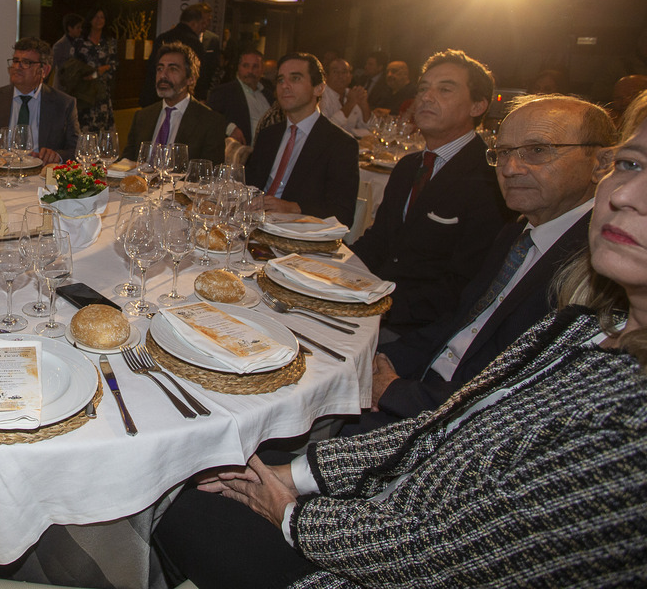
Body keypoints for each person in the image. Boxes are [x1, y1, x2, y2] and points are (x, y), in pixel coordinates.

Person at [152, 99, 647, 588]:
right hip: (392, 493)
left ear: (593, 160)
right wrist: (296, 476)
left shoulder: (628, 413)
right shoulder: (584, 326)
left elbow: (452, 553)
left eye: (538, 150)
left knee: (177, 503)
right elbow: (447, 423)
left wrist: (292, 513)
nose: (627, 195)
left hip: (375, 554)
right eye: (632, 164)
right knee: (207, 478)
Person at [354, 95, 615, 432]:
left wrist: (396, 392)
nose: (510, 168)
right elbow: (460, 320)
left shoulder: (598, 265)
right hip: (423, 384)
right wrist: (387, 360)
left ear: (600, 163)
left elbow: (514, 402)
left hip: (447, 428)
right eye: (503, 152)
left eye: (537, 150)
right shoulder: (517, 232)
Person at [352, 50, 512, 336]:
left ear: (478, 106)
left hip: (421, 330)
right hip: (371, 306)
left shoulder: (489, 180)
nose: (426, 97)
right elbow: (379, 241)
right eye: (423, 88)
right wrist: (328, 276)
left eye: (445, 89)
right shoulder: (408, 166)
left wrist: (378, 310)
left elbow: (465, 283)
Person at [243, 53, 358, 224]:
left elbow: (342, 214)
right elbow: (249, 186)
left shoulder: (339, 144)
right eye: (281, 80)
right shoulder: (269, 135)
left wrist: (294, 208)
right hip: (253, 228)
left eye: (295, 78)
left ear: (319, 88)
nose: (285, 86)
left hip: (298, 236)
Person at [0, 37, 79, 165]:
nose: (17, 67)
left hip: (41, 176)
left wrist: (57, 156)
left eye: (26, 62)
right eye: (15, 61)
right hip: (0, 174)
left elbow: (76, 150)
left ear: (45, 70)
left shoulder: (64, 104)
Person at [120, 43, 228, 165]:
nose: (163, 75)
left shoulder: (210, 122)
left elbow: (209, 176)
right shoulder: (142, 116)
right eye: (160, 69)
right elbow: (126, 163)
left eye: (173, 69)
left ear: (191, 78)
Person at [141, 2, 213, 105]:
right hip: (180, 99)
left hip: (155, 97)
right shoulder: (194, 43)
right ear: (193, 23)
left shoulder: (162, 38)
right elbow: (200, 75)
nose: (205, 27)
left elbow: (150, 68)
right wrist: (201, 97)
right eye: (203, 23)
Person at [60, 9, 117, 132]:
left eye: (102, 17)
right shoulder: (80, 42)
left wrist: (99, 72)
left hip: (102, 92)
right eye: (96, 16)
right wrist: (90, 73)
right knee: (84, 128)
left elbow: (114, 65)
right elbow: (71, 66)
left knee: (103, 129)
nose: (99, 20)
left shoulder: (109, 42)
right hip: (84, 92)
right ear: (90, 19)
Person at [207, 50, 273, 148]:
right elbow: (209, 116)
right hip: (240, 155)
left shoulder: (269, 95)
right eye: (246, 66)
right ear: (239, 68)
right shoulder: (224, 91)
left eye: (255, 66)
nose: (250, 71)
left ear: (262, 69)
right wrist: (230, 128)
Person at [318, 57, 371, 138]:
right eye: (335, 72)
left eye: (344, 72)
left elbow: (368, 129)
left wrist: (364, 105)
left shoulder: (352, 93)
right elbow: (325, 130)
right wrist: (350, 103)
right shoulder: (319, 96)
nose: (340, 76)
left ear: (350, 77)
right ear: (326, 76)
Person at [50, 13, 83, 88]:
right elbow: (51, 65)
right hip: (62, 87)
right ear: (70, 28)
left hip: (75, 87)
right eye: (78, 27)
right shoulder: (60, 45)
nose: (80, 30)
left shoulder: (79, 43)